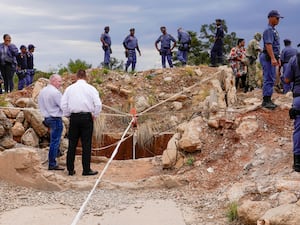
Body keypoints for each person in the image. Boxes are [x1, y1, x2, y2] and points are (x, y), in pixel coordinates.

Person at [61, 69, 102, 176]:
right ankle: (86, 169)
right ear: (85, 77)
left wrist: (68, 114)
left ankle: (70, 169)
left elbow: (63, 104)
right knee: (86, 144)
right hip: (86, 117)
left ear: (76, 76)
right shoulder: (91, 88)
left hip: (74, 117)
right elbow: (98, 104)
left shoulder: (69, 89)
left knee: (72, 144)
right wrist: (95, 115)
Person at [38, 74, 64, 171]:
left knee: (54, 140)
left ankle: (57, 155)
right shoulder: (56, 93)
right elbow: (63, 106)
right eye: (59, 81)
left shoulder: (43, 91)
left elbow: (39, 104)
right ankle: (52, 163)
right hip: (55, 118)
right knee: (55, 141)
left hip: (46, 118)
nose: (60, 84)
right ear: (53, 81)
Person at [259, 10, 283, 109]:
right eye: (277, 18)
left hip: (272, 57)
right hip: (268, 57)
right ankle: (266, 101)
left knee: (271, 78)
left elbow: (275, 46)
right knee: (268, 78)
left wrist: (277, 58)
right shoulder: (268, 30)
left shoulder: (273, 30)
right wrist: (273, 58)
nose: (278, 20)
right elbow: (268, 45)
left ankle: (268, 99)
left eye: (279, 18)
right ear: (271, 17)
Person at [283, 53, 300, 172]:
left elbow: (287, 79)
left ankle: (298, 162)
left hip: (299, 97)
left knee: (299, 129)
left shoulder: (294, 59)